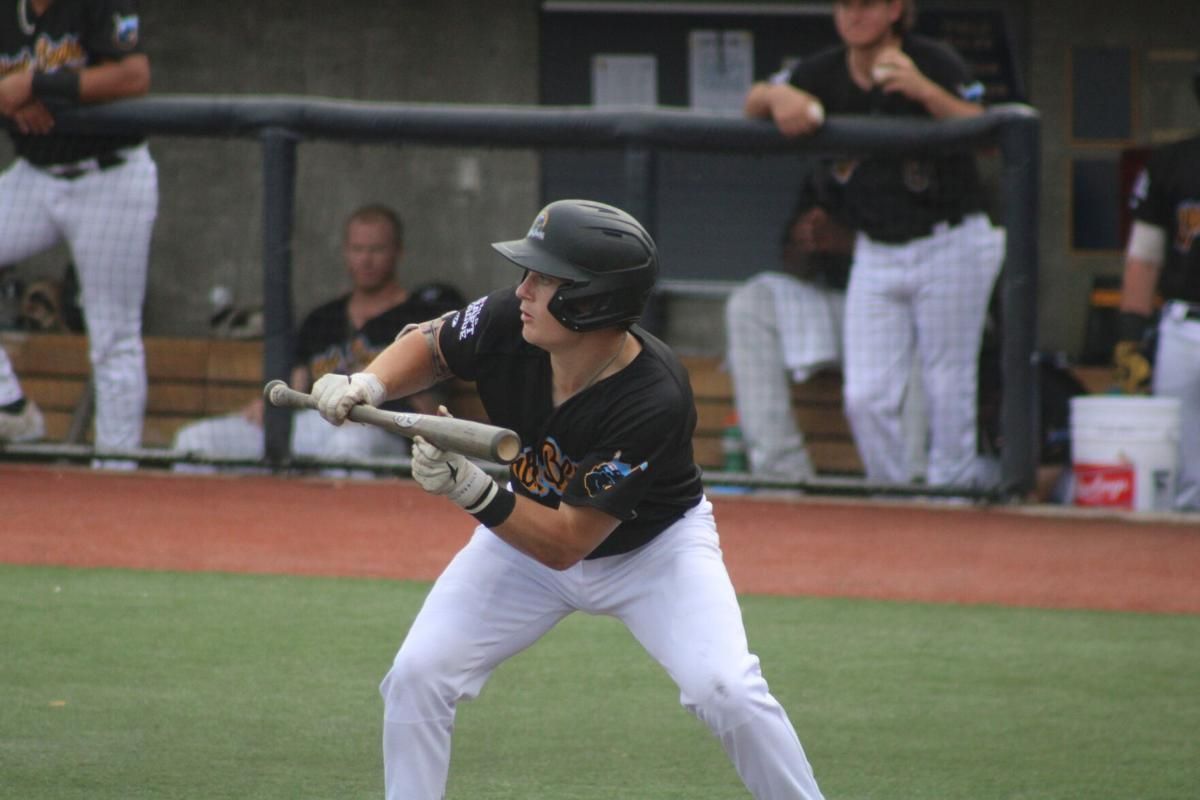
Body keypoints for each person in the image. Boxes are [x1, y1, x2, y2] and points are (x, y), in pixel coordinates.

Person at [311, 199, 826, 799]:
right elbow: (433, 345)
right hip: (521, 536)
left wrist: (468, 488)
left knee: (728, 690)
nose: (523, 289)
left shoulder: (653, 399)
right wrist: (367, 382)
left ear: (593, 301)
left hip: (652, 553)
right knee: (418, 676)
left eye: (546, 278)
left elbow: (565, 544)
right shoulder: (514, 318)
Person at [744, 0, 1005, 488]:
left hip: (949, 240)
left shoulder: (933, 59)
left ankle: (952, 500)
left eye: (866, 4)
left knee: (946, 384)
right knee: (865, 397)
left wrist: (924, 91)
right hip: (878, 247)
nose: (853, 15)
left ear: (894, 9)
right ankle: (893, 494)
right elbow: (754, 99)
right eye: (845, 5)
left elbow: (990, 133)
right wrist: (777, 98)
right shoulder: (822, 69)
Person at [172, 204, 462, 471]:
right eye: (358, 249)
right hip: (315, 424)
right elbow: (297, 383)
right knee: (193, 440)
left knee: (345, 447)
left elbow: (430, 405)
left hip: (378, 429)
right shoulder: (323, 318)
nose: (366, 259)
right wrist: (269, 410)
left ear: (398, 252)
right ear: (345, 252)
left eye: (376, 249)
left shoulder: (420, 317)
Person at [0, 0, 157, 457]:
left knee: (113, 338)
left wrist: (39, 85)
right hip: (35, 175)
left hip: (109, 178)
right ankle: (9, 406)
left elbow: (134, 77)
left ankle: (116, 468)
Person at [725, 160, 926, 482]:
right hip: (839, 307)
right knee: (751, 302)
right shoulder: (823, 175)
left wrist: (852, 242)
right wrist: (807, 239)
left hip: (901, 310)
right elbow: (794, 267)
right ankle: (781, 476)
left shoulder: (909, 167)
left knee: (930, 328)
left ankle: (912, 483)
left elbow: (928, 256)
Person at [1112, 64, 1200, 511]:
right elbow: (1144, 258)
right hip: (1184, 326)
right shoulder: (1172, 163)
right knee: (1183, 469)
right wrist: (1130, 335)